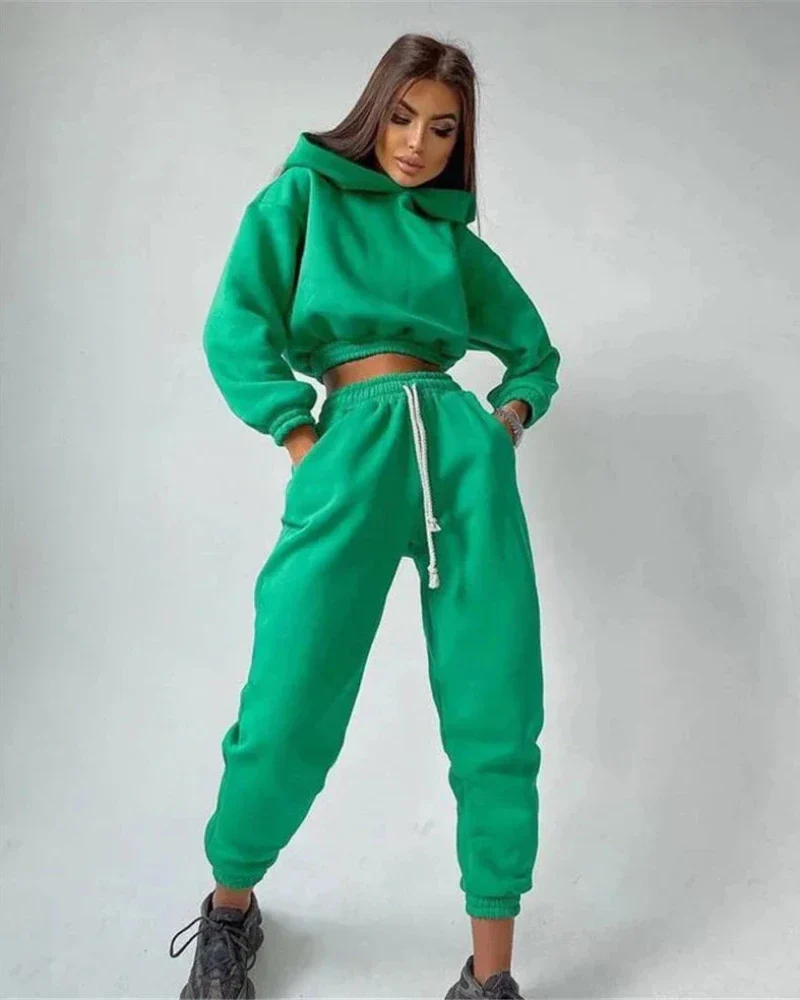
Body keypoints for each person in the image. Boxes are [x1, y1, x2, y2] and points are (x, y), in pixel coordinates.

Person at [168, 31, 560, 1000]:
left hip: (461, 459)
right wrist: (298, 436)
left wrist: (504, 422)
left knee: (496, 706)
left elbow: (532, 353)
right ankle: (229, 911)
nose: (417, 144)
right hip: (349, 448)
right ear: (374, 110)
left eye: (442, 129)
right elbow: (236, 324)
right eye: (403, 117)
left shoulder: (449, 241)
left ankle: (490, 975)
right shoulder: (302, 197)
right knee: (288, 699)